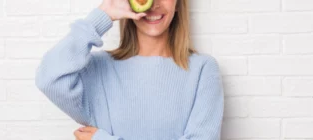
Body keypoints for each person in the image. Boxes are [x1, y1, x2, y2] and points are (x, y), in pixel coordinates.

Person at [35, 0, 224, 139]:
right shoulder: (97, 69)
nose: (153, 4)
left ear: (178, 3)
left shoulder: (203, 70)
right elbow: (49, 78)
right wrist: (103, 14)